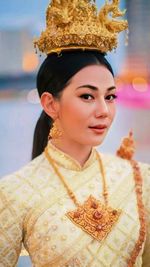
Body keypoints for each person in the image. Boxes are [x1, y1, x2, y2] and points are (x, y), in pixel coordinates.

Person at [0, 1, 150, 267]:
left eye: (111, 96)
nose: (104, 110)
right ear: (50, 104)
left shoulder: (141, 179)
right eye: (87, 96)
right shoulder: (13, 192)